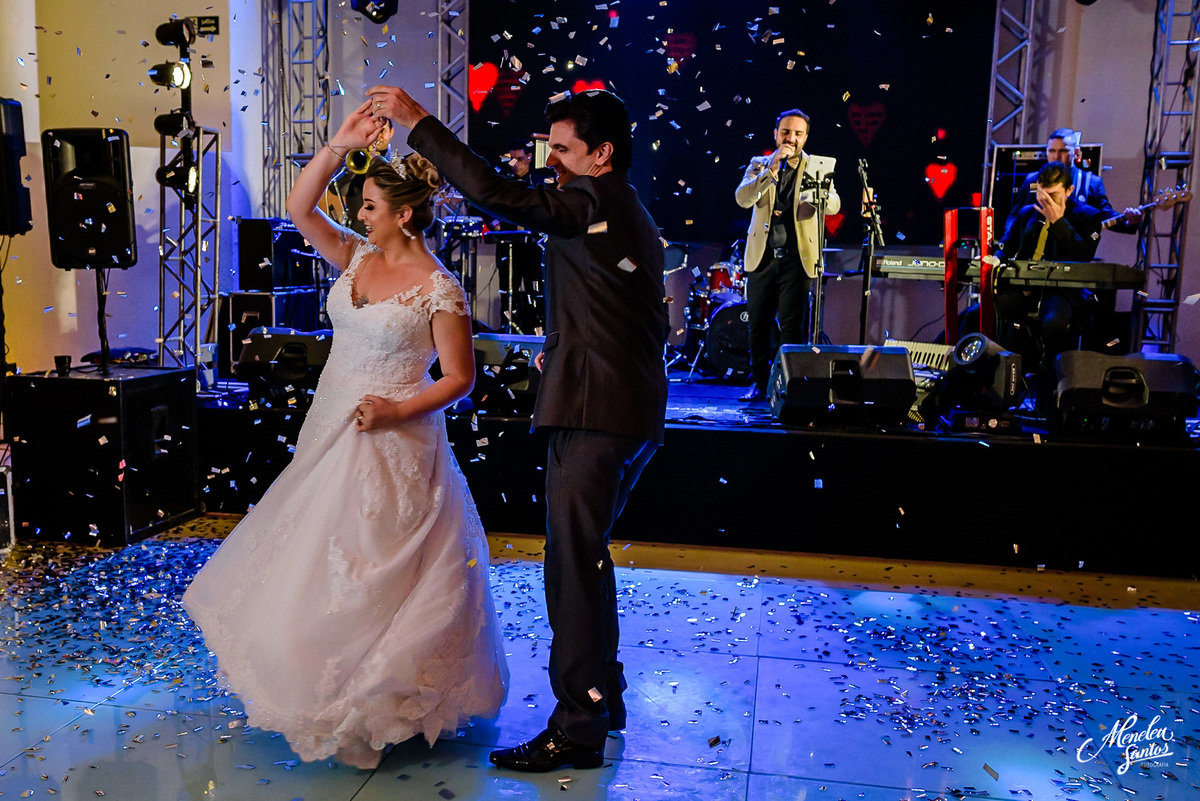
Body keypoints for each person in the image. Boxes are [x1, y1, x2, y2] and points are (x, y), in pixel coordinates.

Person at [182, 99, 508, 770]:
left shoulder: (438, 290)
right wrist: (339, 143)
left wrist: (395, 410)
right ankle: (315, 679)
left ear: (405, 214)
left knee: (374, 564)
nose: (358, 214)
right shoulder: (355, 259)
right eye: (358, 205)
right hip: (331, 422)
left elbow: (459, 379)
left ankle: (377, 702)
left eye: (367, 206)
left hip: (395, 439)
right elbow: (301, 208)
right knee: (314, 554)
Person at [368, 83, 668, 772]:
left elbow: (498, 195)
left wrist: (419, 124)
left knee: (569, 565)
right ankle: (603, 693)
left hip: (596, 413)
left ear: (602, 154)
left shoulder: (594, 199)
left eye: (563, 150)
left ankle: (577, 725)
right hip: (626, 409)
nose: (551, 163)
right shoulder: (622, 209)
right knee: (586, 558)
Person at [735, 108, 841, 402]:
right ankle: (758, 383)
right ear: (776, 133)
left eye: (797, 133)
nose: (791, 138)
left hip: (798, 258)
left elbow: (833, 204)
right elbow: (743, 198)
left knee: (791, 327)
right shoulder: (759, 164)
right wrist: (771, 169)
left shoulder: (816, 166)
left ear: (805, 137)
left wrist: (819, 194)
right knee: (758, 324)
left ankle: (787, 384)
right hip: (762, 256)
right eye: (786, 132)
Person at [995, 160, 1105, 365]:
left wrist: (1059, 222)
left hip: (1061, 291)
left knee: (1054, 323)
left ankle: (1050, 384)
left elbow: (1083, 255)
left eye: (1052, 196)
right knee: (979, 313)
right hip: (1025, 287)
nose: (1045, 201)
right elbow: (1005, 247)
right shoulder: (1027, 212)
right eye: (1041, 194)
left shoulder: (1089, 216)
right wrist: (992, 258)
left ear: (1069, 191)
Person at [1004, 127, 1141, 240]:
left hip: (1069, 251)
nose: (1056, 156)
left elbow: (1106, 216)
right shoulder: (1032, 179)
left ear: (1076, 152)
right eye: (1052, 151)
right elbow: (1015, 215)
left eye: (1063, 151)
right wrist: (1011, 239)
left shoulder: (1091, 182)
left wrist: (1130, 222)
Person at [324, 118, 395, 235]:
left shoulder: (397, 163)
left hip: (386, 232)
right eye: (374, 131)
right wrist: (355, 164)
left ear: (391, 132)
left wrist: (378, 163)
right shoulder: (357, 156)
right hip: (358, 231)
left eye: (382, 131)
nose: (378, 136)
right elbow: (335, 188)